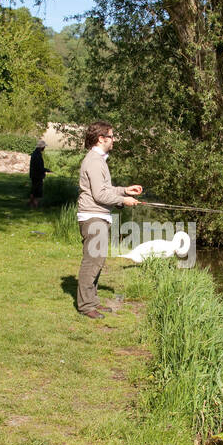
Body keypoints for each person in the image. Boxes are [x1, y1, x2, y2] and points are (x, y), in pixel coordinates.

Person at [76, 121, 141, 319]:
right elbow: (100, 195)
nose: (114, 140)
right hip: (93, 216)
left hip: (98, 216)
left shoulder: (99, 160)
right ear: (101, 139)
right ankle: (86, 306)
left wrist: (124, 190)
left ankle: (92, 301)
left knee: (98, 260)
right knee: (92, 262)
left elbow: (104, 189)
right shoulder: (95, 161)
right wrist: (124, 200)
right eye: (112, 136)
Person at [28, 140, 50, 207]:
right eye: (44, 147)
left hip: (34, 175)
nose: (44, 148)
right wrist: (46, 170)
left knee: (34, 190)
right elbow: (39, 167)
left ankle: (31, 204)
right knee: (37, 191)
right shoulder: (37, 155)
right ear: (41, 147)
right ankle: (34, 205)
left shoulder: (35, 153)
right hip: (37, 175)